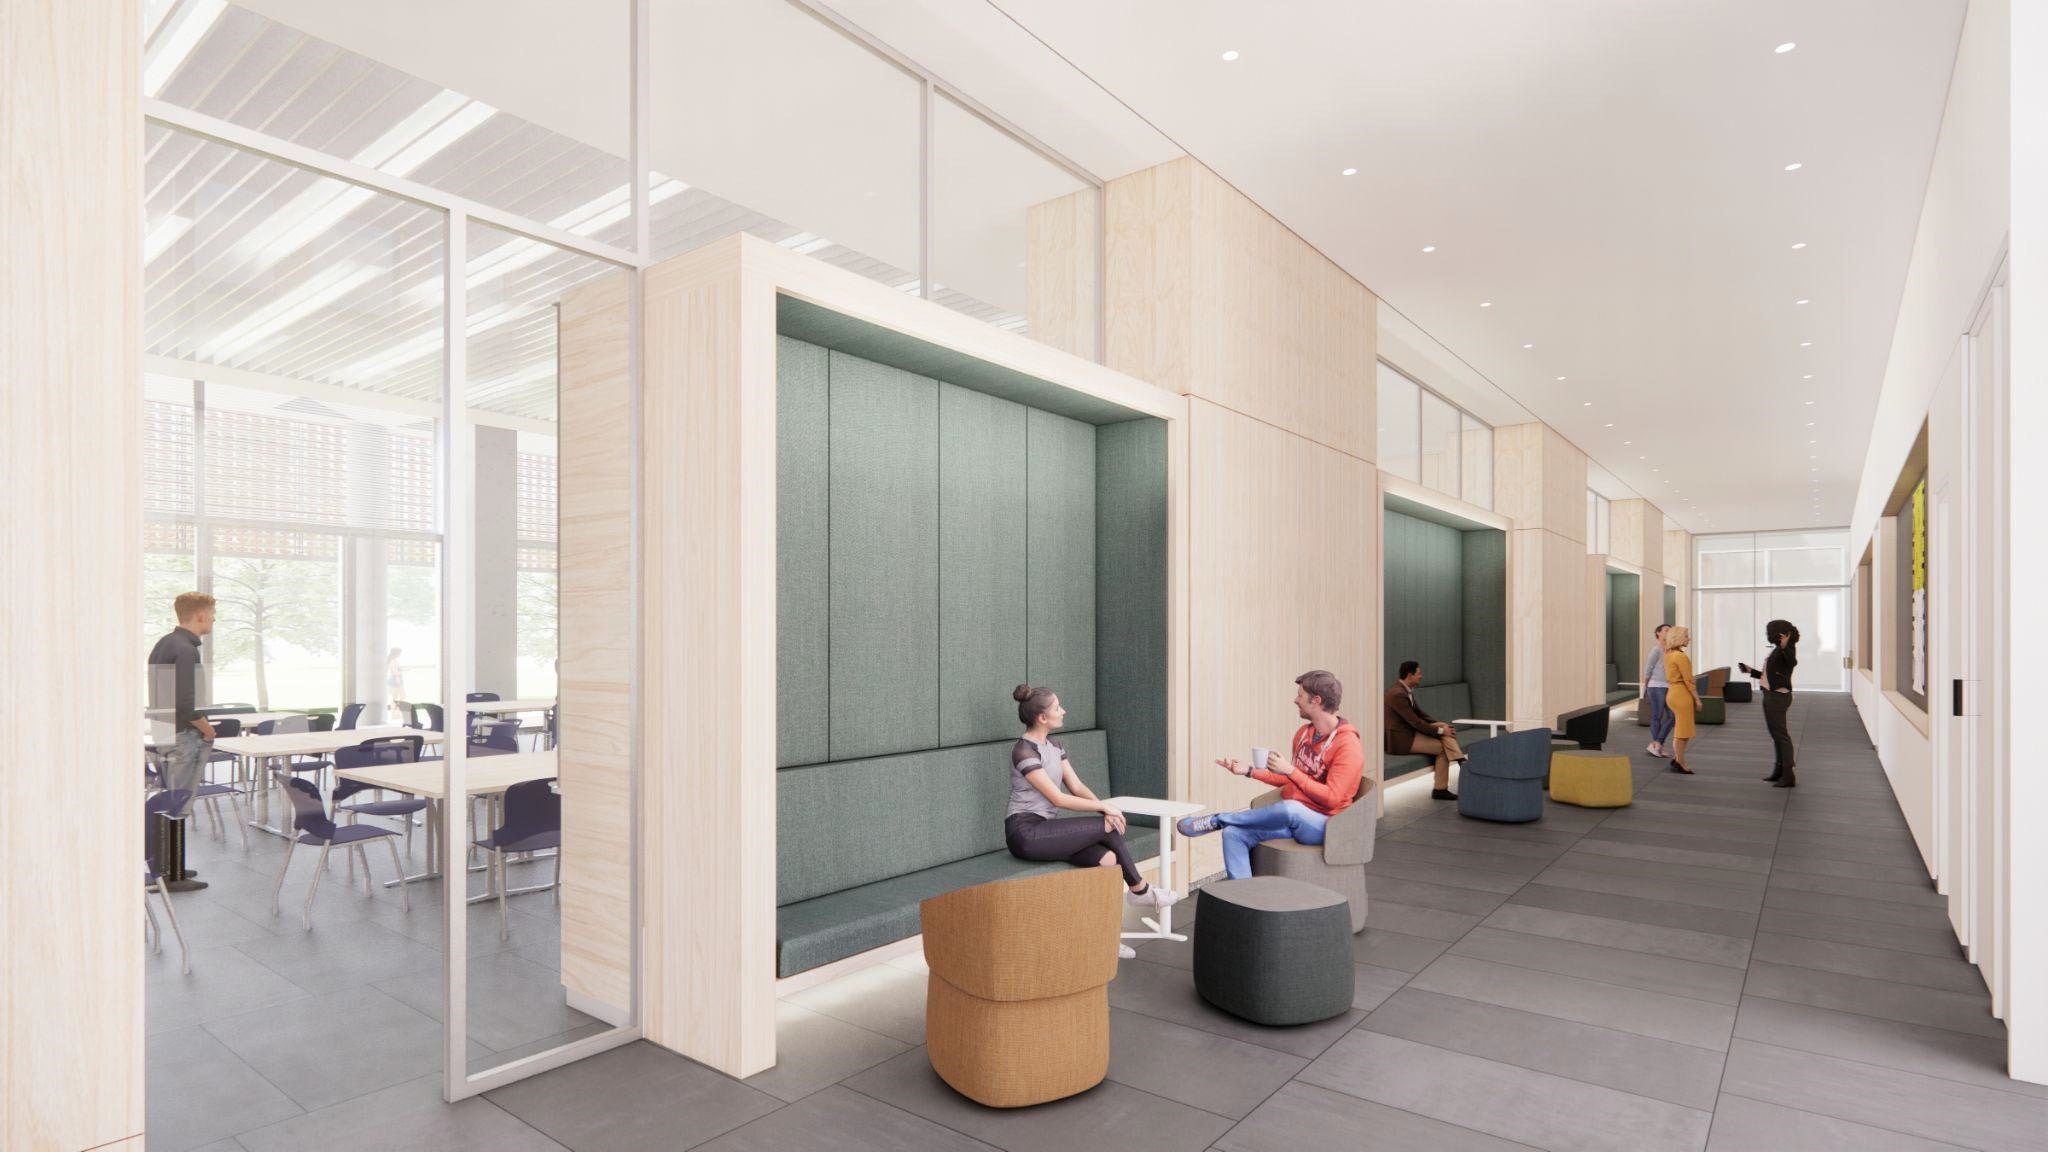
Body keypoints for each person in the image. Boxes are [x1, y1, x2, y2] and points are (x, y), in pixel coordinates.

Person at [1004, 684, 1178, 958]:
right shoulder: (1023, 751)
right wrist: (1104, 811)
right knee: (1107, 827)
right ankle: (1139, 889)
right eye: (1057, 707)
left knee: (1108, 860)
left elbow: (1075, 785)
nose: (1064, 711)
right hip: (1024, 833)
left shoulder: (1055, 746)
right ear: (1042, 718)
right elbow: (1058, 798)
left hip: (1047, 831)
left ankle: (1105, 937)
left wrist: (1105, 808)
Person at [1177, 670, 1368, 879]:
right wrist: (1249, 771)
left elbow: (1332, 798)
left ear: (1316, 700)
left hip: (1328, 825)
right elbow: (1292, 780)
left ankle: (1219, 819)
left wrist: (1290, 770)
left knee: (1291, 809)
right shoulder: (1304, 734)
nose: (1295, 700)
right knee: (1233, 834)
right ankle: (1246, 902)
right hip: (1293, 820)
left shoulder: (1348, 745)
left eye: (1300, 696)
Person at [147, 592, 217, 889]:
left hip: (164, 731)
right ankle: (171, 874)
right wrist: (208, 730)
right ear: (199, 614)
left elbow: (163, 696)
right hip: (184, 735)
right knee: (178, 800)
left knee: (169, 797)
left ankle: (169, 867)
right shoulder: (187, 650)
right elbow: (187, 705)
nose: (214, 618)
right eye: (212, 613)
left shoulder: (164, 644)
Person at [1383, 661, 1467, 799]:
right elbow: (1415, 722)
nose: (1421, 676)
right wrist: (1440, 731)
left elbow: (1420, 714)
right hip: (1401, 741)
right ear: (1410, 675)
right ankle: (1441, 788)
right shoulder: (1397, 694)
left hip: (1410, 733)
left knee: (1445, 727)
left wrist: (1440, 725)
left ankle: (1460, 759)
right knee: (1441, 748)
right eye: (1419, 673)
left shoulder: (1404, 690)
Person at [1741, 619, 1801, 788]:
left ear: (1780, 634)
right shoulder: (1777, 650)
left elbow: (1791, 662)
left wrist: (1785, 645)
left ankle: (1788, 775)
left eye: (1769, 632)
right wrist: (1750, 671)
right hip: (1770, 695)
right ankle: (1779, 770)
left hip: (1777, 697)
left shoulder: (1787, 650)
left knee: (1781, 736)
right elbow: (1770, 675)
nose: (1767, 635)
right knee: (1776, 736)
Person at [1662, 626, 1700, 775]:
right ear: (1678, 638)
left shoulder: (1668, 654)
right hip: (1681, 694)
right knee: (1683, 730)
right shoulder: (1680, 656)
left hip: (1672, 692)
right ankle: (1680, 762)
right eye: (1686, 636)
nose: (1688, 639)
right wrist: (1697, 699)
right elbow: (1689, 680)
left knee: (1682, 729)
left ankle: (1678, 759)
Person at [1644, 624, 1674, 757]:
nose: (1668, 632)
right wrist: (1645, 688)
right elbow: (1647, 670)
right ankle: (1657, 746)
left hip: (1667, 686)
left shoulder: (1669, 650)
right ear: (1658, 633)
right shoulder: (1656, 650)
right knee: (1657, 716)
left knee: (1673, 716)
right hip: (1655, 686)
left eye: (1670, 630)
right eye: (1666, 630)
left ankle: (1657, 744)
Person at [386, 647, 406, 725]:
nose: (400, 654)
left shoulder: (393, 660)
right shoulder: (392, 660)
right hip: (396, 681)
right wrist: (401, 672)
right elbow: (395, 672)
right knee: (399, 697)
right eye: (399, 653)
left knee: (397, 697)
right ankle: (395, 713)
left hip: (396, 680)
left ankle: (395, 713)